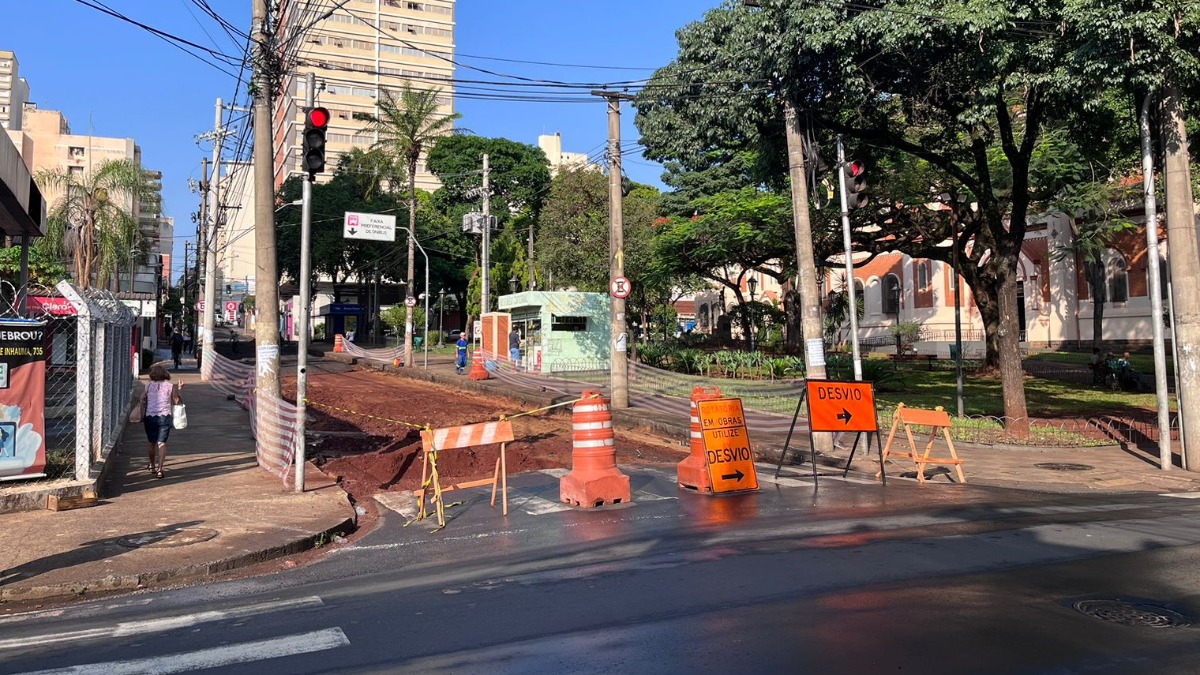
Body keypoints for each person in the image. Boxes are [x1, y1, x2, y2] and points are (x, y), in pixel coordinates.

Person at [140, 364, 183, 479]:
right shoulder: (170, 386)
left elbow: (141, 398)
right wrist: (179, 389)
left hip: (150, 416)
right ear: (165, 374)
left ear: (153, 374)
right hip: (164, 416)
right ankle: (160, 470)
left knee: (151, 442)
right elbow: (176, 401)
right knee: (162, 443)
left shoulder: (148, 386)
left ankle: (152, 465)